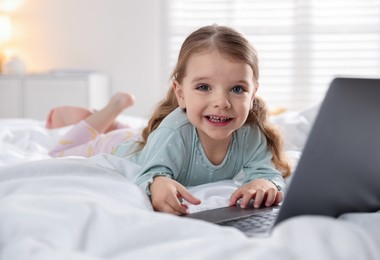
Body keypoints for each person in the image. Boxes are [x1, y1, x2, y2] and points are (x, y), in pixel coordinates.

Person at [48, 24, 291, 216]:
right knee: (60, 152)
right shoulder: (175, 132)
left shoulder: (250, 132)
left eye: (237, 89)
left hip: (146, 140)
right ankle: (110, 110)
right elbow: (152, 174)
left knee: (135, 134)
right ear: (180, 93)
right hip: (119, 147)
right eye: (204, 87)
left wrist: (263, 183)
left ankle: (118, 124)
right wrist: (158, 184)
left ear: (254, 93)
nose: (222, 102)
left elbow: (264, 170)